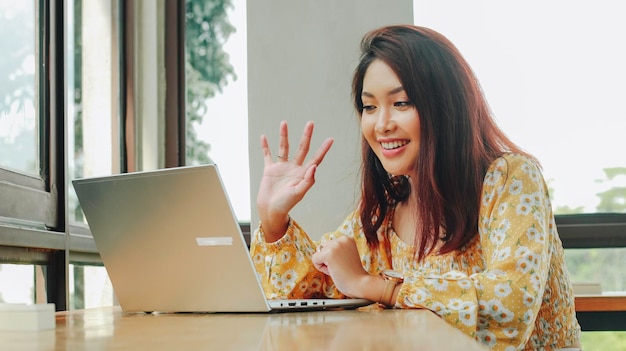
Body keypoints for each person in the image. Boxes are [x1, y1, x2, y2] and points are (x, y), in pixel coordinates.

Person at [250, 25, 582, 351]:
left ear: (445, 106)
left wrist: (376, 287)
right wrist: (274, 219)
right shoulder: (386, 208)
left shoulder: (510, 178)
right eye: (369, 107)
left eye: (402, 103)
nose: (381, 124)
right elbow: (314, 292)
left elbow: (510, 307)